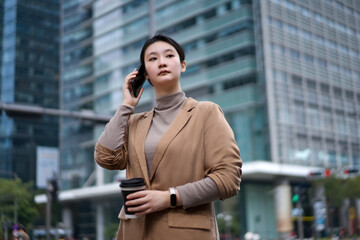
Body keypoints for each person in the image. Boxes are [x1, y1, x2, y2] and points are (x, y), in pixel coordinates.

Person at [94, 34, 242, 240]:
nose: (161, 62)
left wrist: (170, 197)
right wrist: (126, 105)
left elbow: (228, 179)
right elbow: (106, 158)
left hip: (185, 233)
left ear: (182, 66)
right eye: (152, 59)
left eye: (169, 55)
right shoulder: (134, 122)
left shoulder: (206, 113)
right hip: (133, 232)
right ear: (144, 73)